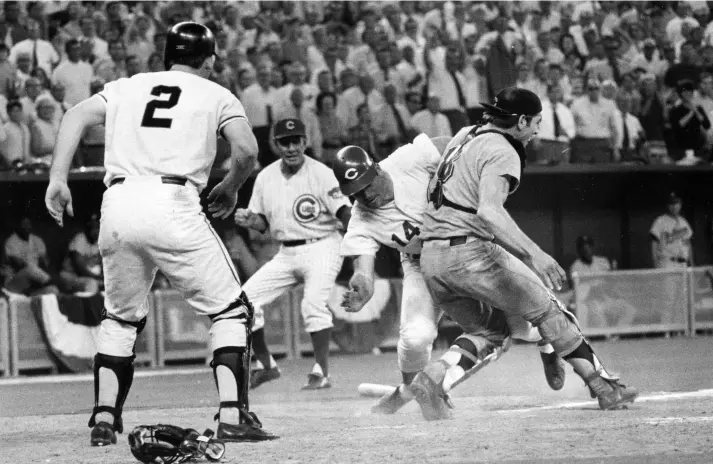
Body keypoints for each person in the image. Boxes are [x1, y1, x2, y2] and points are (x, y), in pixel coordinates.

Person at [44, 21, 278, 447]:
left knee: (120, 315)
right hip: (173, 200)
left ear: (167, 56)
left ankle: (103, 418)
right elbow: (246, 151)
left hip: (117, 203)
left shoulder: (128, 85)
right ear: (209, 59)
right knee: (231, 310)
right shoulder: (216, 93)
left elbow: (76, 114)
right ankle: (232, 414)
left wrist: (58, 177)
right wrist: (229, 188)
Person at [416, 87, 639, 418]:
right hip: (468, 252)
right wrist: (535, 254)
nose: (537, 130)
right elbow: (489, 212)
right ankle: (604, 388)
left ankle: (433, 379)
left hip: (431, 259)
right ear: (520, 121)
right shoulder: (503, 149)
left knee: (489, 332)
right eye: (535, 122)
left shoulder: (465, 133)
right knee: (551, 311)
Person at [333, 138, 565, 418]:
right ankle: (418, 392)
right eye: (356, 192)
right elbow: (363, 266)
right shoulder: (361, 218)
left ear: (377, 170)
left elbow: (455, 145)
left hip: (469, 247)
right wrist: (363, 284)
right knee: (416, 336)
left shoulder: (407, 160)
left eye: (367, 185)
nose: (364, 195)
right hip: (420, 265)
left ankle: (546, 343)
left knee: (519, 329)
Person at [234, 118, 351, 391]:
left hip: (323, 244)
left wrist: (360, 239)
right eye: (284, 142)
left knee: (312, 305)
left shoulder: (321, 173)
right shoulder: (265, 176)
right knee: (243, 303)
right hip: (286, 251)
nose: (291, 147)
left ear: (305, 142)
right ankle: (266, 366)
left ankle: (321, 371)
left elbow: (344, 213)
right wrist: (251, 221)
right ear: (276, 145)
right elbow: (263, 223)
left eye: (295, 141)